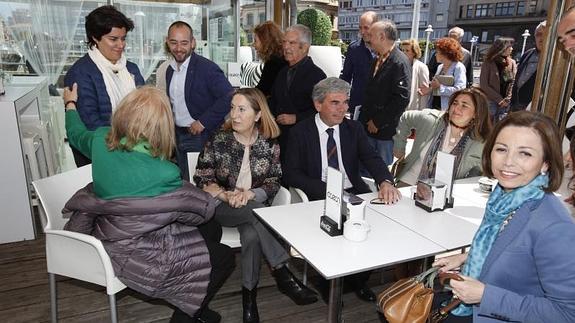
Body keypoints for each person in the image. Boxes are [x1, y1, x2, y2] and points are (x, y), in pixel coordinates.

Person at [61, 85, 235, 323]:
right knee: (224, 256)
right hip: (139, 255)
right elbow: (200, 213)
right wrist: (212, 194)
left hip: (110, 234)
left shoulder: (100, 140)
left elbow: (75, 132)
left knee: (212, 230)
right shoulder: (164, 172)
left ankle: (195, 303)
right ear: (161, 127)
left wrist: (70, 103)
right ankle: (184, 316)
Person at [432, 111, 575, 322]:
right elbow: (514, 249)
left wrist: (485, 296)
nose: (508, 162)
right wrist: (467, 258)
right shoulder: (503, 199)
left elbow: (566, 313)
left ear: (545, 163)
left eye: (524, 153)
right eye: (501, 149)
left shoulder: (554, 226)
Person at [194, 88, 318, 323]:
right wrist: (226, 196)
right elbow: (202, 177)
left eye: (242, 109)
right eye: (232, 108)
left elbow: (274, 182)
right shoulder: (218, 139)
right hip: (220, 208)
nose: (235, 115)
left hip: (252, 207)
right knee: (259, 217)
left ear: (258, 115)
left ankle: (248, 301)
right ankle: (282, 272)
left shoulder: (269, 144)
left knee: (252, 234)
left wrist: (250, 194)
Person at [284, 77, 401, 303]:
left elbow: (372, 157)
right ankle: (332, 285)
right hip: (319, 195)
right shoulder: (301, 132)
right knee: (342, 230)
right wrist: (329, 190)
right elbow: (291, 173)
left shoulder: (353, 128)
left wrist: (386, 180)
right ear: (318, 105)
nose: (343, 109)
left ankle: (357, 281)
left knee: (379, 227)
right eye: (335, 103)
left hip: (353, 192)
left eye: (346, 103)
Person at [64, 5, 145, 167]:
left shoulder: (131, 69)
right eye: (113, 39)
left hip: (136, 152)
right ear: (95, 37)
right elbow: (91, 125)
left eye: (123, 38)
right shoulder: (80, 73)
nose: (120, 45)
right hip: (101, 157)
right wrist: (129, 144)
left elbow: (146, 110)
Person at [165, 21, 233, 180]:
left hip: (200, 136)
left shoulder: (207, 68)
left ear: (193, 43)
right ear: (167, 42)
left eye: (184, 43)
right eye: (174, 42)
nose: (179, 48)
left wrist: (202, 122)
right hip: (178, 135)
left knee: (199, 184)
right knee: (184, 181)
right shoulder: (170, 70)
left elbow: (229, 96)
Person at [393, 87, 492, 186]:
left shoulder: (479, 142)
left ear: (476, 113)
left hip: (447, 193)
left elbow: (480, 170)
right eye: (455, 103)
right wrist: (399, 147)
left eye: (464, 106)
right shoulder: (431, 120)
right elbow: (406, 117)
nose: (456, 108)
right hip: (409, 184)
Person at [269, 24, 326, 158]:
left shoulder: (317, 75)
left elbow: (323, 110)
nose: (286, 47)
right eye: (284, 42)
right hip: (280, 140)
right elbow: (274, 100)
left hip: (303, 142)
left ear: (305, 47)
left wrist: (296, 118)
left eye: (292, 43)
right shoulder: (282, 72)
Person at [360, 20, 411, 165]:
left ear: (382, 37)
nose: (368, 38)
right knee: (367, 168)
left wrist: (377, 121)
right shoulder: (378, 59)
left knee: (382, 172)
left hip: (384, 132)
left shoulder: (399, 62)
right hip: (368, 128)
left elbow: (402, 98)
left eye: (371, 35)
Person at [339, 11, 378, 115]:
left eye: (366, 28)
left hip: (379, 108)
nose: (362, 32)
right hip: (357, 107)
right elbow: (346, 76)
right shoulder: (353, 49)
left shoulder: (384, 51)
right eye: (360, 28)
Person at [420, 37, 467, 111]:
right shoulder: (440, 67)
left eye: (437, 52)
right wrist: (430, 89)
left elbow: (460, 90)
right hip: (434, 106)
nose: (435, 55)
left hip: (448, 108)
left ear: (446, 53)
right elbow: (436, 87)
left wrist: (440, 87)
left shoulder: (458, 67)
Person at [511, 21, 546, 112]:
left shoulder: (554, 58)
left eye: (546, 34)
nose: (541, 38)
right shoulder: (528, 53)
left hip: (535, 108)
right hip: (517, 105)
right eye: (538, 34)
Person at [479, 37, 517, 120]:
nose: (512, 48)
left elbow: (512, 82)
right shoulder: (488, 62)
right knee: (488, 125)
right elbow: (484, 85)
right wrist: (499, 100)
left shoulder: (511, 62)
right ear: (502, 48)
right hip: (490, 101)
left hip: (505, 103)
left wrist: (508, 98)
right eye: (509, 46)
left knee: (501, 126)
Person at [252, 21, 288, 97]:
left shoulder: (273, 62)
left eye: (255, 41)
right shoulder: (282, 58)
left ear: (265, 41)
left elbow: (262, 91)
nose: (253, 45)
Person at [400, 38, 430, 110]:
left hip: (414, 108)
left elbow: (424, 91)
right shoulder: (399, 65)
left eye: (407, 50)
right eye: (402, 50)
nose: (404, 53)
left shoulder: (421, 67)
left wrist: (422, 111)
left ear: (414, 52)